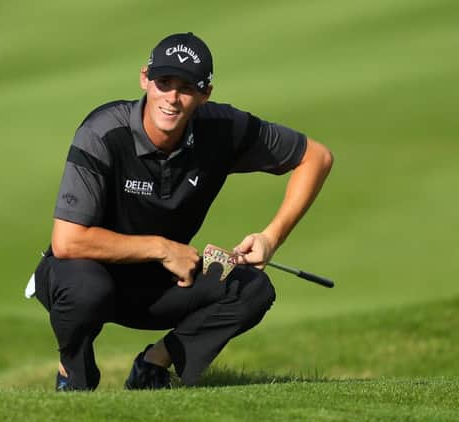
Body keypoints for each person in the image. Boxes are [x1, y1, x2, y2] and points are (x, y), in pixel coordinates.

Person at [29, 32, 333, 391]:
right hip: (86, 272)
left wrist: (271, 237)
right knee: (85, 290)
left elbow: (316, 157)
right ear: (145, 79)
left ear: (205, 93)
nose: (172, 98)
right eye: (163, 83)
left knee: (252, 291)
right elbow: (67, 242)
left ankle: (153, 365)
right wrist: (162, 247)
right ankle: (73, 375)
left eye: (187, 87)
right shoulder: (103, 131)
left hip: (161, 282)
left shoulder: (222, 130)